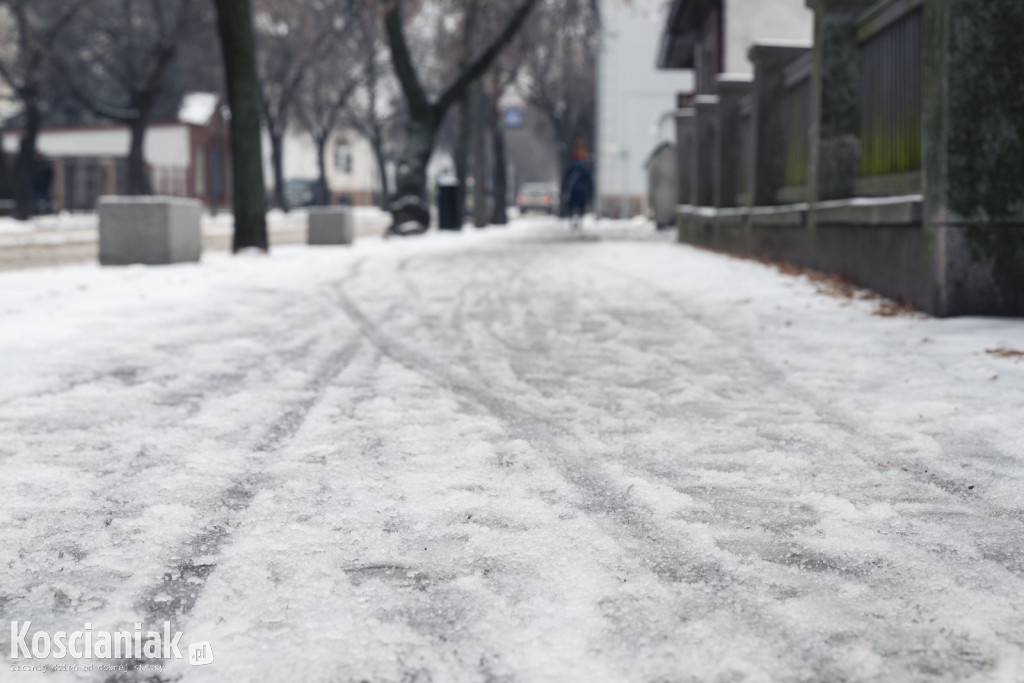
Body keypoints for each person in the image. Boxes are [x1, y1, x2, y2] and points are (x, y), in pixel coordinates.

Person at [561, 149, 593, 229]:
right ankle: (580, 221)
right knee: (581, 206)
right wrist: (590, 191)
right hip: (582, 190)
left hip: (573, 190)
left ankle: (572, 221)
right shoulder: (585, 167)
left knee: (571, 206)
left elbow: (566, 178)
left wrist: (564, 189)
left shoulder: (571, 167)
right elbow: (588, 180)